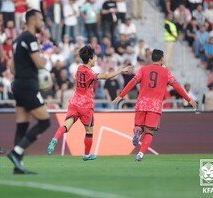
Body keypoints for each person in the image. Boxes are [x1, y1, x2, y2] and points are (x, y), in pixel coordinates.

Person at [47, 45, 131, 160]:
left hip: (74, 101)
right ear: (90, 59)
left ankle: (55, 138)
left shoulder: (79, 68)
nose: (96, 59)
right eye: (94, 57)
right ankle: (86, 155)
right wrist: (120, 70)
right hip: (86, 105)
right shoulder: (90, 73)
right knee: (89, 131)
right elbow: (106, 76)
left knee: (67, 124)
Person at [113, 49, 197, 162]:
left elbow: (132, 82)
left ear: (152, 58)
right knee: (149, 132)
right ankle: (140, 154)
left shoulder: (143, 69)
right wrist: (189, 99)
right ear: (162, 59)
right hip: (154, 105)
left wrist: (121, 95)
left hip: (141, 103)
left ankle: (137, 131)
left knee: (139, 126)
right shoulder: (166, 72)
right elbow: (176, 86)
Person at [7, 9, 51, 174]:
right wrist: (45, 58)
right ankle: (17, 152)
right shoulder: (30, 38)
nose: (42, 23)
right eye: (40, 20)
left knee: (22, 125)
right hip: (27, 86)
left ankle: (18, 166)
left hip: (18, 84)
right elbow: (40, 64)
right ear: (32, 20)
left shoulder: (18, 40)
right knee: (45, 122)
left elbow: (12, 68)